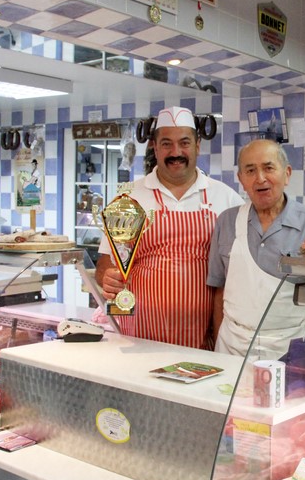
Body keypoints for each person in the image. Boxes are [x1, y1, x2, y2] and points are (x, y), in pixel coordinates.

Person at [96, 106, 244, 348]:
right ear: (154, 147)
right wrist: (108, 277)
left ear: (197, 145)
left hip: (205, 337)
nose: (176, 152)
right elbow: (105, 263)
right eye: (167, 144)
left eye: (184, 143)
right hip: (140, 335)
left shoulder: (226, 198)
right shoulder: (129, 198)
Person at [208, 139, 305, 359]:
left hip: (294, 344)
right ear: (241, 179)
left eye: (268, 168)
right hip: (233, 345)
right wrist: (219, 336)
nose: (260, 178)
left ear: (287, 174)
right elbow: (219, 290)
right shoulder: (226, 222)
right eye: (250, 170)